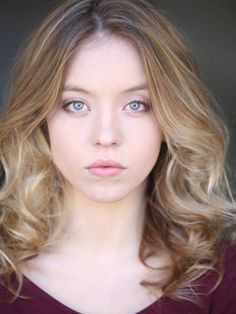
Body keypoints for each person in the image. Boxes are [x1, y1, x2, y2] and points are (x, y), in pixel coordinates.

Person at [0, 0, 235, 313]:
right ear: (41, 120)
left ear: (170, 119)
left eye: (136, 104)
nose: (106, 136)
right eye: (76, 104)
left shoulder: (224, 279)